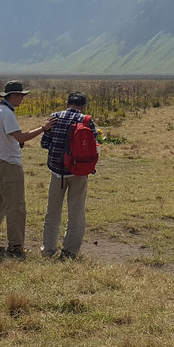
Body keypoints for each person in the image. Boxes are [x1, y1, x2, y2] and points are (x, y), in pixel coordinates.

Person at [0, 80, 56, 257]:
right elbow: (21, 137)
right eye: (20, 95)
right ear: (12, 96)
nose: (22, 98)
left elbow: (11, 138)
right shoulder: (7, 114)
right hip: (9, 164)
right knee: (16, 206)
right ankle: (15, 245)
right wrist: (43, 128)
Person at [40, 92, 98, 259]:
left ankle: (48, 250)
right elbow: (93, 147)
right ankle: (70, 251)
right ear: (83, 106)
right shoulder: (86, 120)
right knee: (76, 212)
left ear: (67, 103)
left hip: (57, 172)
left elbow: (44, 143)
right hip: (79, 172)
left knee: (52, 212)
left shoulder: (54, 117)